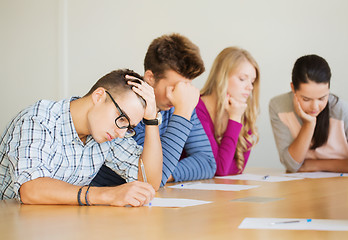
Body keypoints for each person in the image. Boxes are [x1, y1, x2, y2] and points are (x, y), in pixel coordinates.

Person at [0, 69, 163, 207]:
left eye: (129, 127)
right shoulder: (38, 119)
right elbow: (30, 190)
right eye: (121, 119)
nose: (121, 133)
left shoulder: (110, 134)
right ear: (99, 96)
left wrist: (151, 120)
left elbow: (148, 183)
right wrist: (106, 195)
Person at [92, 33, 216, 187]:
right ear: (150, 77)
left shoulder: (180, 105)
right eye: (175, 87)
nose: (181, 95)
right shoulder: (129, 109)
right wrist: (183, 112)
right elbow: (149, 176)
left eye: (186, 86)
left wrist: (167, 174)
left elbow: (208, 163)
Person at [269, 54, 348, 173]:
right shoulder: (279, 106)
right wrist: (308, 124)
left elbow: (299, 167)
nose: (315, 107)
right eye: (306, 99)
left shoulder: (341, 110)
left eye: (322, 98)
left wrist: (315, 165)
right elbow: (292, 165)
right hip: (302, 184)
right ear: (293, 88)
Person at [197, 47, 260, 176]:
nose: (250, 87)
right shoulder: (197, 108)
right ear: (222, 76)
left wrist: (236, 116)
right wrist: (235, 118)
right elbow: (219, 169)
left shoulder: (241, 110)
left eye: (252, 81)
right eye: (242, 79)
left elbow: (238, 168)